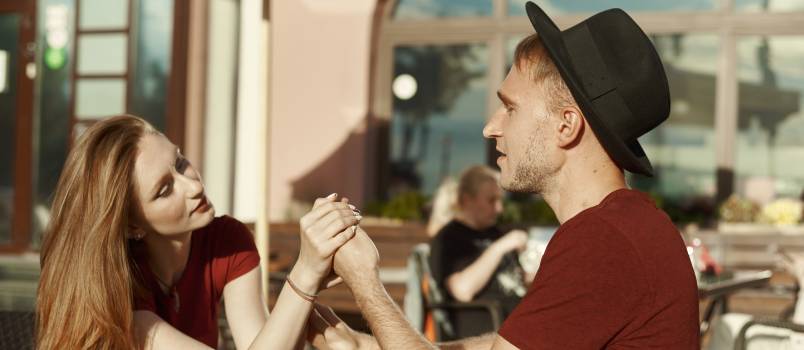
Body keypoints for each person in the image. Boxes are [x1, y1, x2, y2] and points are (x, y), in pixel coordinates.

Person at [310, 2, 699, 349]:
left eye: (510, 109)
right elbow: (507, 343)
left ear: (567, 126)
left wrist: (366, 284)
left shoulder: (601, 243)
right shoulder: (625, 225)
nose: (490, 128)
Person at [36, 115, 360, 349]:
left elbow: (260, 344)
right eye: (164, 191)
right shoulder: (117, 286)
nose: (193, 186)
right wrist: (304, 274)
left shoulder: (226, 241)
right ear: (132, 226)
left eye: (179, 163)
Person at [428, 165, 529, 338]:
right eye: (491, 200)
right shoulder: (449, 237)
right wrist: (499, 248)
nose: (499, 209)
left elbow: (518, 280)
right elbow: (462, 290)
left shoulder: (495, 232)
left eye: (500, 201)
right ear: (467, 200)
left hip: (522, 324)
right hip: (487, 332)